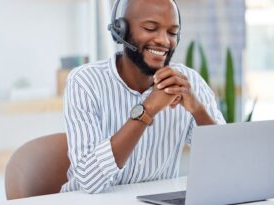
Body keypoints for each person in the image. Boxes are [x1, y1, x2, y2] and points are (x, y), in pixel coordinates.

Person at [61, 0, 225, 194]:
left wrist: (197, 109)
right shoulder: (85, 82)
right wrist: (147, 110)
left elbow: (223, 162)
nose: (164, 41)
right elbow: (89, 181)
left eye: (172, 32)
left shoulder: (189, 82)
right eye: (150, 28)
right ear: (121, 30)